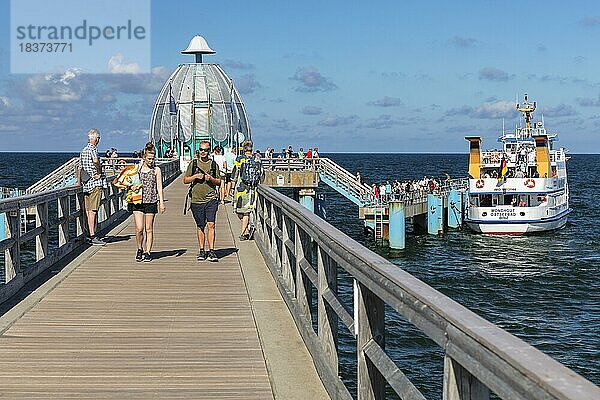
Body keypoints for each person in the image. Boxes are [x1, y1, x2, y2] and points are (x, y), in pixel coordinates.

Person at [183, 141, 222, 262]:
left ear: (209, 151)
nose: (203, 152)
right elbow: (185, 180)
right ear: (198, 150)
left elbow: (219, 181)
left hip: (211, 199)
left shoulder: (213, 165)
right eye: (201, 149)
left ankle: (212, 250)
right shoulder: (193, 164)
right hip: (196, 199)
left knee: (211, 224)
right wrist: (195, 177)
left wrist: (211, 179)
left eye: (205, 150)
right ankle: (201, 250)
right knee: (200, 226)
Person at [130, 142, 165, 262]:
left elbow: (159, 187)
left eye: (153, 158)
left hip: (151, 201)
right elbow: (130, 182)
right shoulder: (137, 169)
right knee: (139, 228)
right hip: (138, 201)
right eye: (149, 159)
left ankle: (148, 251)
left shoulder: (157, 170)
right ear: (144, 158)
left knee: (148, 228)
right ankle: (139, 248)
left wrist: (161, 202)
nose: (151, 161)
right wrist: (132, 187)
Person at [79, 128, 106, 245]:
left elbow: (79, 167)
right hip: (95, 184)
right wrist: (99, 171)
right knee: (93, 211)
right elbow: (95, 161)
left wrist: (78, 181)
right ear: (97, 139)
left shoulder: (83, 150)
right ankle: (93, 235)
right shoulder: (93, 149)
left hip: (86, 184)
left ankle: (89, 234)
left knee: (88, 210)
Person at [232, 140, 261, 240]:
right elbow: (261, 174)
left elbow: (234, 174)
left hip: (240, 188)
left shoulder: (239, 159)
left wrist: (232, 186)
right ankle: (248, 227)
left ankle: (243, 233)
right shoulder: (257, 159)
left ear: (243, 148)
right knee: (246, 211)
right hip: (252, 189)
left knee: (240, 211)